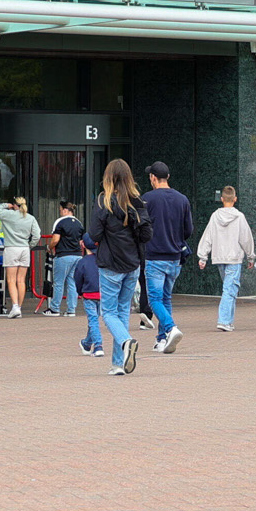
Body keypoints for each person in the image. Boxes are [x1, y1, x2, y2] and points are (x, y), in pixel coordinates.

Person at [88, 160, 149, 375]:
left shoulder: (103, 201)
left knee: (108, 312)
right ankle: (118, 363)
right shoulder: (137, 202)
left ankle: (126, 341)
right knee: (123, 311)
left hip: (110, 264)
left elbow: (94, 234)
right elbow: (146, 234)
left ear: (108, 177)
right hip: (132, 264)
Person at [142, 163, 195, 352]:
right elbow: (188, 230)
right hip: (175, 257)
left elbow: (140, 227)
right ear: (168, 176)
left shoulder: (147, 199)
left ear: (153, 178)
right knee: (165, 298)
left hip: (155, 256)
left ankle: (171, 328)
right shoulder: (182, 199)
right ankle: (161, 339)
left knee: (155, 300)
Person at [198, 186, 256, 332]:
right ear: (235, 199)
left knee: (229, 288)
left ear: (222, 199)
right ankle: (224, 320)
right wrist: (251, 256)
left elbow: (207, 237)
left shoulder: (214, 216)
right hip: (234, 257)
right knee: (229, 289)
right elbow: (246, 238)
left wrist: (203, 256)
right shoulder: (239, 217)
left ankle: (229, 321)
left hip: (219, 257)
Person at [0, 193, 40, 317]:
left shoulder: (9, 215)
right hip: (24, 249)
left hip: (12, 248)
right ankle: (19, 307)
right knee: (21, 280)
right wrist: (30, 245)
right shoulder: (30, 218)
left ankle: (15, 306)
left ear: (14, 205)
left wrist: (5, 205)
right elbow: (37, 235)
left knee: (11, 280)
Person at [48, 200, 88, 323]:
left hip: (63, 255)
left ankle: (55, 308)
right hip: (77, 255)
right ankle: (71, 309)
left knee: (59, 282)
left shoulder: (60, 222)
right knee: (72, 283)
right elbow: (82, 240)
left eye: (60, 210)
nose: (60, 212)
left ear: (65, 210)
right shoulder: (79, 223)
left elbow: (55, 239)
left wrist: (49, 247)